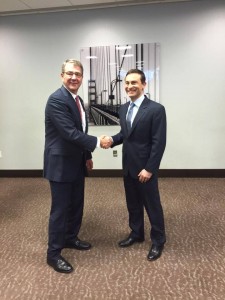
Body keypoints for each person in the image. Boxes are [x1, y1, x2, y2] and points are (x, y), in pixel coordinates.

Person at [44, 59, 108, 273]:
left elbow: (81, 131)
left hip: (77, 162)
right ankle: (53, 254)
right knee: (60, 210)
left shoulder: (78, 99)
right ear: (61, 76)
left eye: (78, 74)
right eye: (70, 73)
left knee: (76, 205)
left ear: (82, 78)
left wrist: (88, 155)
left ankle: (71, 238)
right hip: (61, 164)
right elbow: (69, 133)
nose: (74, 77)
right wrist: (99, 142)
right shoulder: (56, 100)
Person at [104, 69, 166, 261]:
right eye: (127, 83)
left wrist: (149, 169)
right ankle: (136, 233)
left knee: (152, 205)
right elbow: (125, 134)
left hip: (145, 168)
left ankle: (158, 241)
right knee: (133, 204)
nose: (130, 86)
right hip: (128, 165)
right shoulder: (124, 108)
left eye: (134, 83)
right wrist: (111, 140)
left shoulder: (156, 109)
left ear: (144, 84)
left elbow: (159, 143)